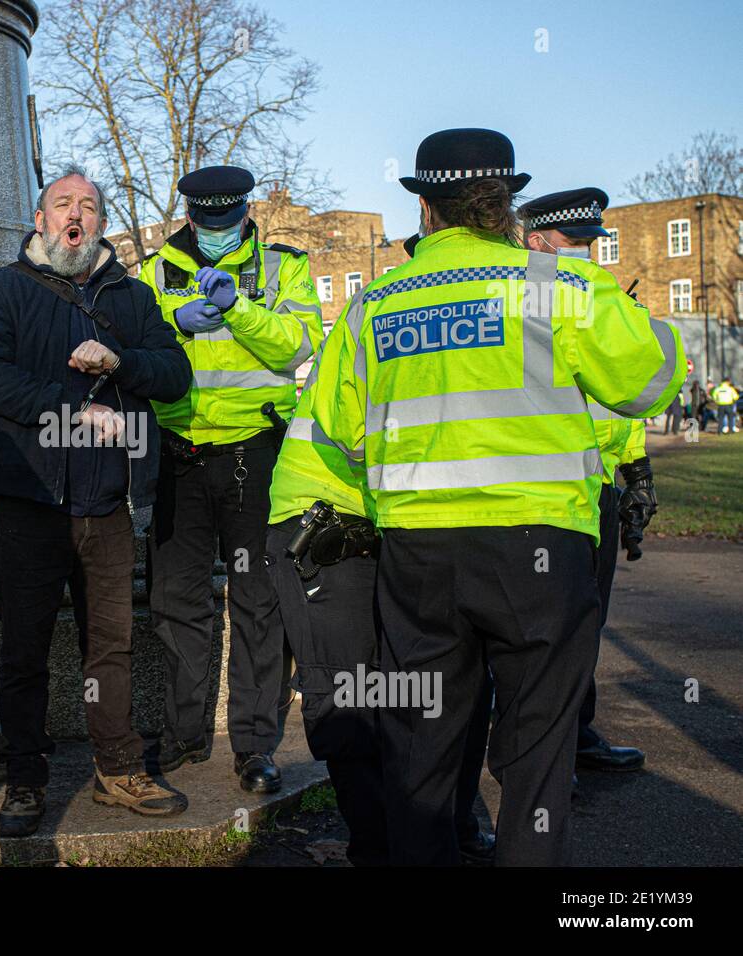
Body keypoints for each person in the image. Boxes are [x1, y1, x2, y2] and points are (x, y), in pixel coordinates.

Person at [308, 128, 685, 865]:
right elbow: (646, 382)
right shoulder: (560, 288)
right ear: (506, 203)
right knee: (537, 757)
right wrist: (628, 310)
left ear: (425, 209)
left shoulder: (371, 305)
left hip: (417, 554)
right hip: (539, 549)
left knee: (421, 750)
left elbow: (339, 430)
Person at [0, 167, 192, 836]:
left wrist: (117, 359)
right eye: (63, 203)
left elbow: (174, 376)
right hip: (28, 500)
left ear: (100, 224)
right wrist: (71, 409)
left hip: (106, 503)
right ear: (39, 219)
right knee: (24, 649)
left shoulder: (132, 295)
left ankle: (117, 768)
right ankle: (25, 780)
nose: (76, 213)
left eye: (88, 206)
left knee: (110, 647)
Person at [264, 292, 496, 866]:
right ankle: (379, 846)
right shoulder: (386, 319)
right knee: (347, 696)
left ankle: (437, 832)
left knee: (436, 689)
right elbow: (360, 433)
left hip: (391, 527)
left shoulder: (444, 329)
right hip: (325, 525)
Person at [137, 165, 323, 793]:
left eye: (228, 219)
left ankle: (253, 746)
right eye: (206, 219)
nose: (218, 229)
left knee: (258, 604)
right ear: (189, 216)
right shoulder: (151, 271)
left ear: (245, 213)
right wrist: (174, 325)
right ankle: (185, 736)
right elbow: (133, 349)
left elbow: (296, 347)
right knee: (176, 602)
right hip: (177, 454)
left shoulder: (283, 267)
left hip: (256, 454)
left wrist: (237, 310)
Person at [521, 189, 652, 773]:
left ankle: (576, 735)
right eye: (573, 243)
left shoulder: (592, 298)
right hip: (539, 491)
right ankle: (540, 756)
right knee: (545, 630)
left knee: (586, 624)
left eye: (588, 243)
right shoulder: (524, 302)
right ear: (536, 242)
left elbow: (618, 403)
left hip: (593, 486)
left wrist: (637, 471)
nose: (584, 254)